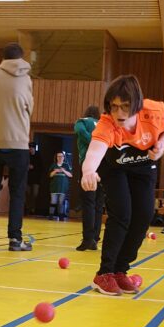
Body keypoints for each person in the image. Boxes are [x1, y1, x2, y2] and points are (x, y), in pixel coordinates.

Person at [80, 75, 164, 296]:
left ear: (137, 105)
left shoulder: (154, 111)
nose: (119, 113)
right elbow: (95, 150)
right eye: (114, 107)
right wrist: (88, 171)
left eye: (125, 106)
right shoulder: (107, 123)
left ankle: (120, 270)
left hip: (143, 166)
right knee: (122, 213)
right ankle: (104, 274)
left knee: (143, 215)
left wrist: (162, 144)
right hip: (114, 168)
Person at [0, 43, 33, 251]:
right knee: (17, 192)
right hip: (18, 142)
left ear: (2, 58)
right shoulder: (25, 79)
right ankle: (15, 239)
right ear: (21, 58)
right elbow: (29, 108)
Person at [74, 105, 103, 250]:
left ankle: (88, 239)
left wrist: (92, 141)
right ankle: (95, 237)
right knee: (98, 203)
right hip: (102, 165)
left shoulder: (82, 121)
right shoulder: (102, 123)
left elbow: (79, 131)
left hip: (88, 165)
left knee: (88, 203)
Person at [48, 151, 72, 221]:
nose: (60, 158)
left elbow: (70, 175)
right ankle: (51, 216)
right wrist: (55, 171)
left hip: (63, 187)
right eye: (58, 156)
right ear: (56, 157)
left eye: (61, 156)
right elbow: (50, 175)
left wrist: (63, 171)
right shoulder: (53, 165)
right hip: (54, 186)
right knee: (53, 201)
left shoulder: (66, 165)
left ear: (64, 157)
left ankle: (61, 216)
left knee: (61, 202)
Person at [26, 141, 43, 214]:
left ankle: (32, 208)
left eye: (32, 148)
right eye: (30, 148)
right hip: (27, 178)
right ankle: (27, 208)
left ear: (34, 148)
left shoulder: (38, 156)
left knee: (35, 194)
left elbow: (41, 167)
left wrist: (33, 167)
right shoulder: (27, 156)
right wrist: (27, 167)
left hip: (36, 179)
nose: (31, 149)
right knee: (27, 194)